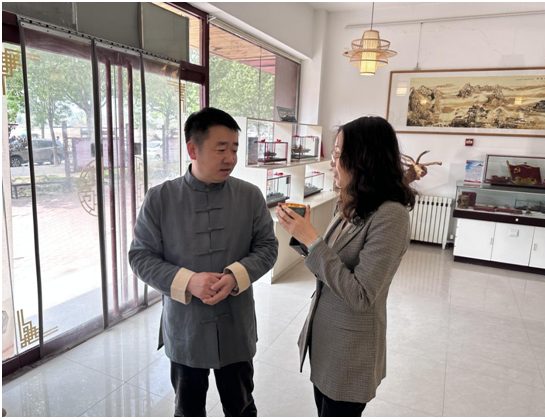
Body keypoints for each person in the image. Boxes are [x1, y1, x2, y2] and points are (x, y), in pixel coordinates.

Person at [129, 107, 279, 417]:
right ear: (193, 149)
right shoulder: (160, 199)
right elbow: (140, 256)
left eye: (234, 149)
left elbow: (267, 247)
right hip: (186, 328)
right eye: (221, 149)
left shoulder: (250, 196)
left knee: (241, 406)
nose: (230, 158)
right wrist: (188, 281)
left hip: (235, 325)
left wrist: (236, 276)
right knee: (188, 409)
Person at [277, 116, 415, 417]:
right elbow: (329, 261)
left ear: (365, 158)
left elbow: (361, 295)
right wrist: (301, 236)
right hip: (327, 341)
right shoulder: (352, 203)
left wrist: (312, 240)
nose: (332, 161)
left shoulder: (391, 216)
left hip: (351, 351)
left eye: (339, 153)